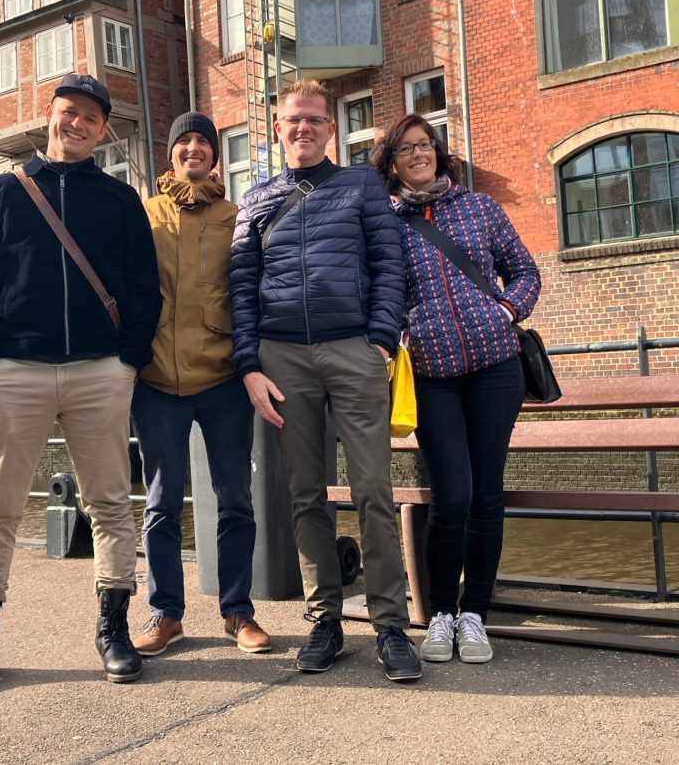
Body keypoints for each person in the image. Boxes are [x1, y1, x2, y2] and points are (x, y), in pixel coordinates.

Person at [0, 73, 161, 693]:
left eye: (91, 118)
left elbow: (144, 288)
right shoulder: (2, 194)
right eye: (69, 113)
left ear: (101, 129)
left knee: (112, 505)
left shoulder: (119, 201)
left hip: (100, 371)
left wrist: (128, 359)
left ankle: (113, 627)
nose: (78, 124)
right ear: (51, 116)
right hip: (16, 371)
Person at [230, 79, 421, 682]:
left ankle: (391, 624)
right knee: (305, 494)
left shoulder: (364, 186)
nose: (304, 128)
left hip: (352, 350)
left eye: (315, 119)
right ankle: (326, 620)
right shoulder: (256, 200)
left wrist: (380, 341)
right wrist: (250, 366)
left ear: (330, 128)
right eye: (294, 120)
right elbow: (240, 291)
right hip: (283, 358)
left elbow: (391, 266)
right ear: (278, 128)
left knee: (372, 491)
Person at [372, 114, 540, 665]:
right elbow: (378, 294)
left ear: (438, 153)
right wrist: (397, 334)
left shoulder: (480, 208)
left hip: (496, 367)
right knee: (452, 496)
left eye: (425, 145)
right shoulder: (384, 224)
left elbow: (525, 271)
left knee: (487, 493)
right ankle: (441, 613)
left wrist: (506, 308)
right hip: (432, 374)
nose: (418, 154)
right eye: (406, 149)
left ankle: (476, 615)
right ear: (391, 162)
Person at [129, 112, 272, 657]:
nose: (193, 150)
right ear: (171, 154)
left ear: (214, 155)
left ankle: (238, 612)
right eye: (183, 142)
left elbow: (255, 291)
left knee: (235, 498)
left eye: (202, 143)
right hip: (157, 378)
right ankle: (166, 614)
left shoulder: (237, 217)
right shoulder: (143, 215)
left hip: (223, 378)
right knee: (162, 502)